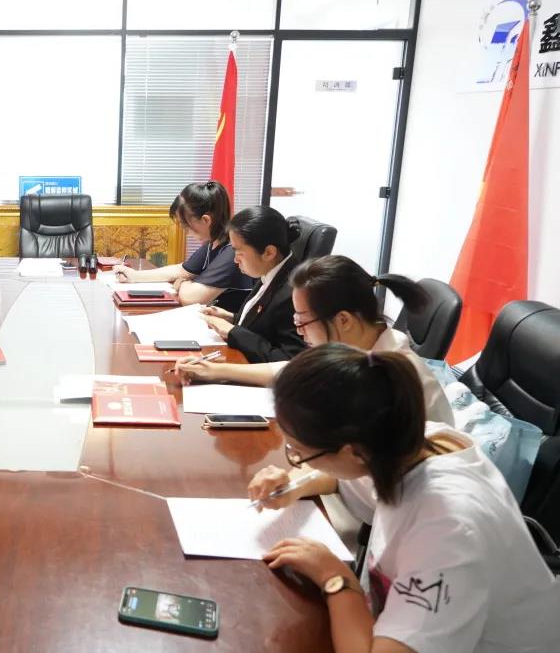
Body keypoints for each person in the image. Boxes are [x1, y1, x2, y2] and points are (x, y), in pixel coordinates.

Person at [251, 344, 558, 653]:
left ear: (353, 451)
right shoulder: (402, 443)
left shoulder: (447, 532)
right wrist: (293, 485)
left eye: (298, 451)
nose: (296, 460)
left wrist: (335, 579)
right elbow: (344, 476)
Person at [176, 254, 455, 427]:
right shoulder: (362, 344)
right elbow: (294, 369)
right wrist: (215, 371)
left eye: (302, 322)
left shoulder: (390, 379)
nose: (300, 332)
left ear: (343, 320)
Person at [112, 181, 251, 306]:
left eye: (185, 226)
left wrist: (184, 282)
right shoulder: (213, 243)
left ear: (206, 220)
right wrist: (134, 276)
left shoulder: (232, 251)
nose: (186, 232)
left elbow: (190, 298)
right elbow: (182, 270)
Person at [196, 206, 305, 363]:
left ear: (269, 253)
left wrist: (233, 332)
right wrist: (231, 317)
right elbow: (264, 325)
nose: (235, 260)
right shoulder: (271, 270)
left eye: (239, 252)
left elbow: (288, 361)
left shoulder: (293, 294)